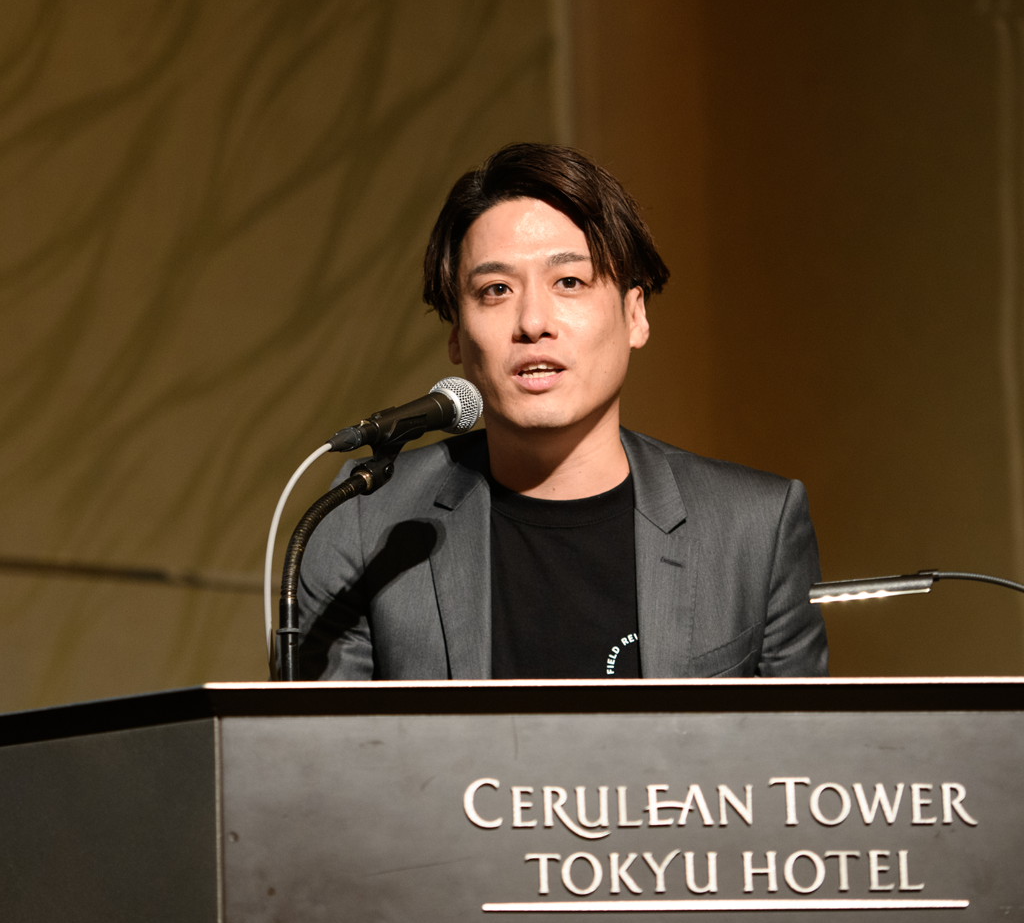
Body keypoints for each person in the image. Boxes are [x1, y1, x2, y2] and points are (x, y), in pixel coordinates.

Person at [297, 143, 828, 680]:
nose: (533, 322)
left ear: (635, 315)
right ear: (456, 335)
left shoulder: (755, 529)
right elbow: (319, 734)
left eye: (569, 282)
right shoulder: (365, 521)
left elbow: (800, 734)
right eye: (496, 290)